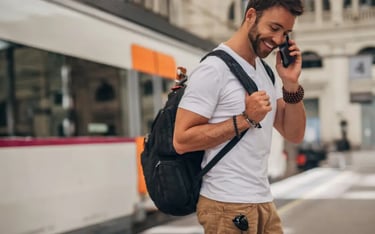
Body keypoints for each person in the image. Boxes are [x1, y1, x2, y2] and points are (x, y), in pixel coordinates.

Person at [173, 0, 306, 233]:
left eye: (285, 33)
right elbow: (182, 140)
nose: (278, 40)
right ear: (251, 16)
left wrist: (291, 84)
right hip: (226, 204)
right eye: (274, 28)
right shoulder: (214, 69)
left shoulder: (265, 71)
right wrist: (245, 118)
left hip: (263, 200)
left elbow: (294, 134)